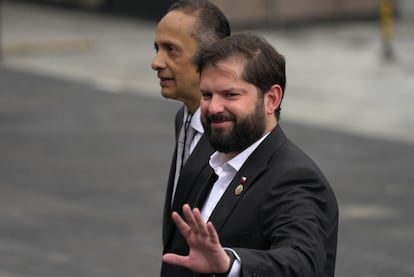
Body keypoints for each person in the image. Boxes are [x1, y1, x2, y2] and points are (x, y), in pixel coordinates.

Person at [162, 33, 339, 277]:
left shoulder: (295, 178)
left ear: (271, 99)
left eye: (230, 95)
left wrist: (231, 264)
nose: (214, 107)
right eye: (207, 95)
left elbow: (303, 262)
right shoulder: (206, 159)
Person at [151, 1, 231, 276]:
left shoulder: (235, 139)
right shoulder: (183, 119)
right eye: (157, 49)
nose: (156, 63)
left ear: (210, 59)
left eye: (171, 50)